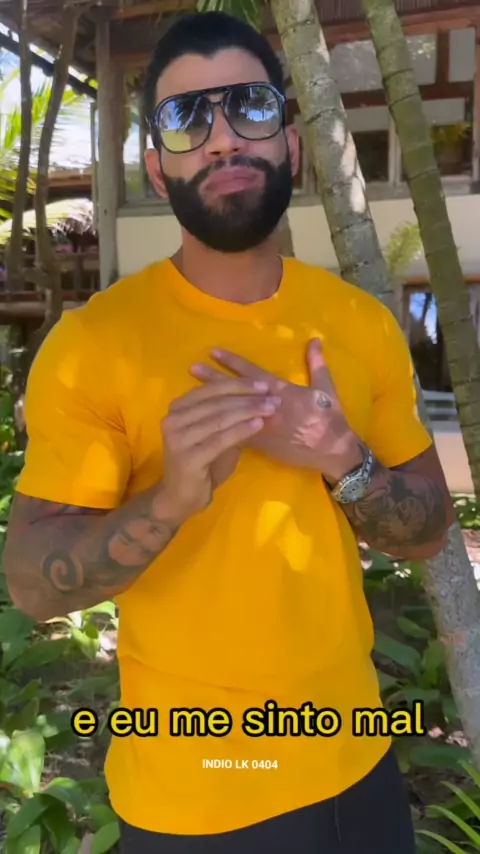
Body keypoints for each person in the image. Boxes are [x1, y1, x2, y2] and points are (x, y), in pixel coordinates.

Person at [4, 11, 455, 854]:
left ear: (290, 142)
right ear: (155, 165)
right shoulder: (95, 345)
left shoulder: (358, 326)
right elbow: (33, 584)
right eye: (186, 117)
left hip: (358, 774)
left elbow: (429, 530)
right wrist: (171, 499)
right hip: (194, 802)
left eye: (249, 106)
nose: (220, 137)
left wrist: (343, 460)